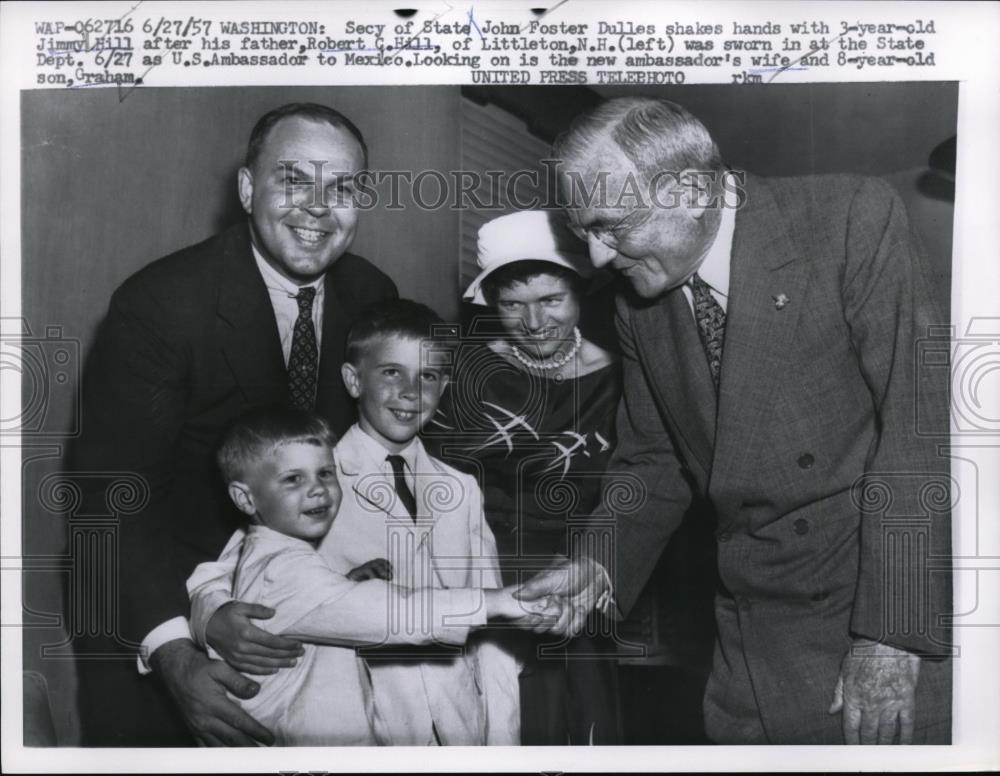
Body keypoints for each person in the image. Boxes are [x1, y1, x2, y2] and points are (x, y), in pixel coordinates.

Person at [516, 97, 952, 745]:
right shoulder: (643, 301)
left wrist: (891, 634)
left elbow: (919, 428)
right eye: (584, 232)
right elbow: (653, 462)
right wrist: (599, 563)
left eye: (611, 226)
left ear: (691, 190)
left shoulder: (848, 219)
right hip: (745, 633)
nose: (598, 258)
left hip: (867, 610)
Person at [69, 102, 398, 746]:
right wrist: (175, 651)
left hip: (304, 620)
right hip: (157, 614)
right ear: (248, 189)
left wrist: (361, 559)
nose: (317, 208)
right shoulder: (159, 305)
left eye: (342, 188)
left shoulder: (373, 295)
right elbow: (109, 499)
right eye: (294, 180)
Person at [190, 299, 524, 745]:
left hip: (461, 727)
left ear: (444, 386)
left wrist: (503, 746)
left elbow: (494, 633)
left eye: (428, 376)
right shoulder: (312, 480)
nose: (411, 391)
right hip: (367, 728)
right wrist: (211, 618)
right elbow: (228, 570)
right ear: (353, 380)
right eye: (391, 372)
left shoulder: (461, 488)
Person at [428, 209, 622, 744]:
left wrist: (590, 565)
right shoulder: (466, 373)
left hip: (581, 571)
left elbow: (639, 492)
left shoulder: (622, 377)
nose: (534, 323)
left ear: (581, 292)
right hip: (480, 567)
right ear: (490, 304)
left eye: (550, 300)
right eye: (512, 305)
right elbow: (430, 485)